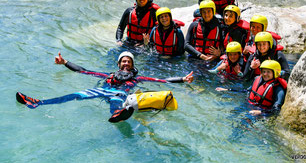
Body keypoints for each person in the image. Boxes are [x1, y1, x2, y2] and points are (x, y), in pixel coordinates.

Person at [16, 51, 194, 122]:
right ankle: (37, 102)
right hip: (102, 90)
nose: (126, 64)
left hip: (120, 94)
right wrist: (65, 63)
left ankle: (116, 115)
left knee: (117, 100)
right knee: (75, 94)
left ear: (132, 65)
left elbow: (161, 81)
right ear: (118, 64)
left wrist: (182, 79)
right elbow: (83, 71)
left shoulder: (138, 79)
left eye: (128, 62)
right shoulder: (107, 76)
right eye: (123, 61)